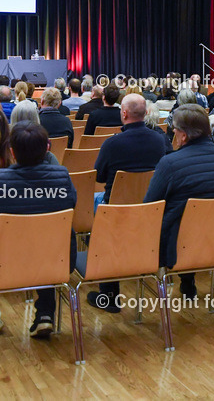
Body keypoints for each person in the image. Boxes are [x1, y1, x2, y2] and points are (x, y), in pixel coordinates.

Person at [0, 122, 76, 337]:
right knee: (43, 245)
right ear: (47, 148)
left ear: (11, 152)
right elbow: (71, 206)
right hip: (54, 258)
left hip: (0, 261)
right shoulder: (62, 177)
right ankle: (45, 313)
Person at [144, 104, 214, 298]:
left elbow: (150, 206)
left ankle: (188, 282)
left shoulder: (170, 163)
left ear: (183, 135)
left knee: (178, 218)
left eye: (175, 131)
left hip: (178, 243)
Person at [86, 94, 169, 312]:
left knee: (95, 204)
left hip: (115, 209)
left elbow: (100, 177)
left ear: (124, 113)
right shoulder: (159, 140)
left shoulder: (112, 143)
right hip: (149, 206)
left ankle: (109, 295)